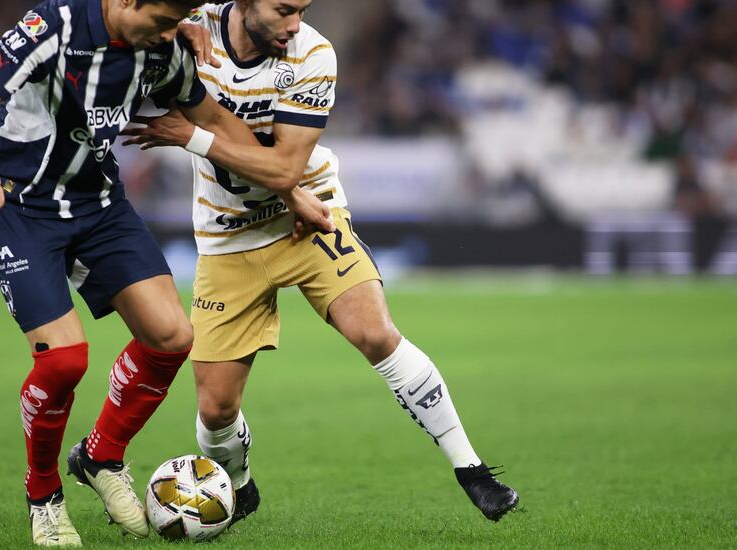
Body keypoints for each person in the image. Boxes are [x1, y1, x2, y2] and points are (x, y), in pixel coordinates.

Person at [0, 0, 333, 545]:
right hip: (19, 208)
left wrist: (291, 191)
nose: (179, 33)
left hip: (100, 208)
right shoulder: (53, 28)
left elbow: (218, 123)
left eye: (180, 21)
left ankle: (101, 457)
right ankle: (44, 495)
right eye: (166, 21)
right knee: (63, 363)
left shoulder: (163, 49)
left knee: (172, 337)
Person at [121, 0, 520, 526]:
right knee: (215, 411)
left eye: (302, 10)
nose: (295, 24)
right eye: (284, 10)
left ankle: (473, 471)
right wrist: (169, 34)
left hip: (308, 218)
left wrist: (189, 135)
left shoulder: (312, 55)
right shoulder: (193, 27)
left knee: (376, 333)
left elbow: (285, 166)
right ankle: (240, 487)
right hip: (227, 238)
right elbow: (123, 25)